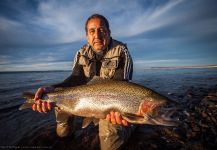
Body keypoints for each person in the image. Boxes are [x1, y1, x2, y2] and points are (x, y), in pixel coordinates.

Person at [32, 14, 134, 150]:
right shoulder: (81, 53)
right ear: (87, 36)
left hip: (109, 105)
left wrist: (119, 113)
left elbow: (120, 86)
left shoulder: (122, 52)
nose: (97, 36)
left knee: (110, 143)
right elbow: (75, 79)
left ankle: (132, 127)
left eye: (101, 30)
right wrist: (51, 89)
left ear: (109, 33)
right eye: (92, 31)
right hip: (82, 100)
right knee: (63, 133)